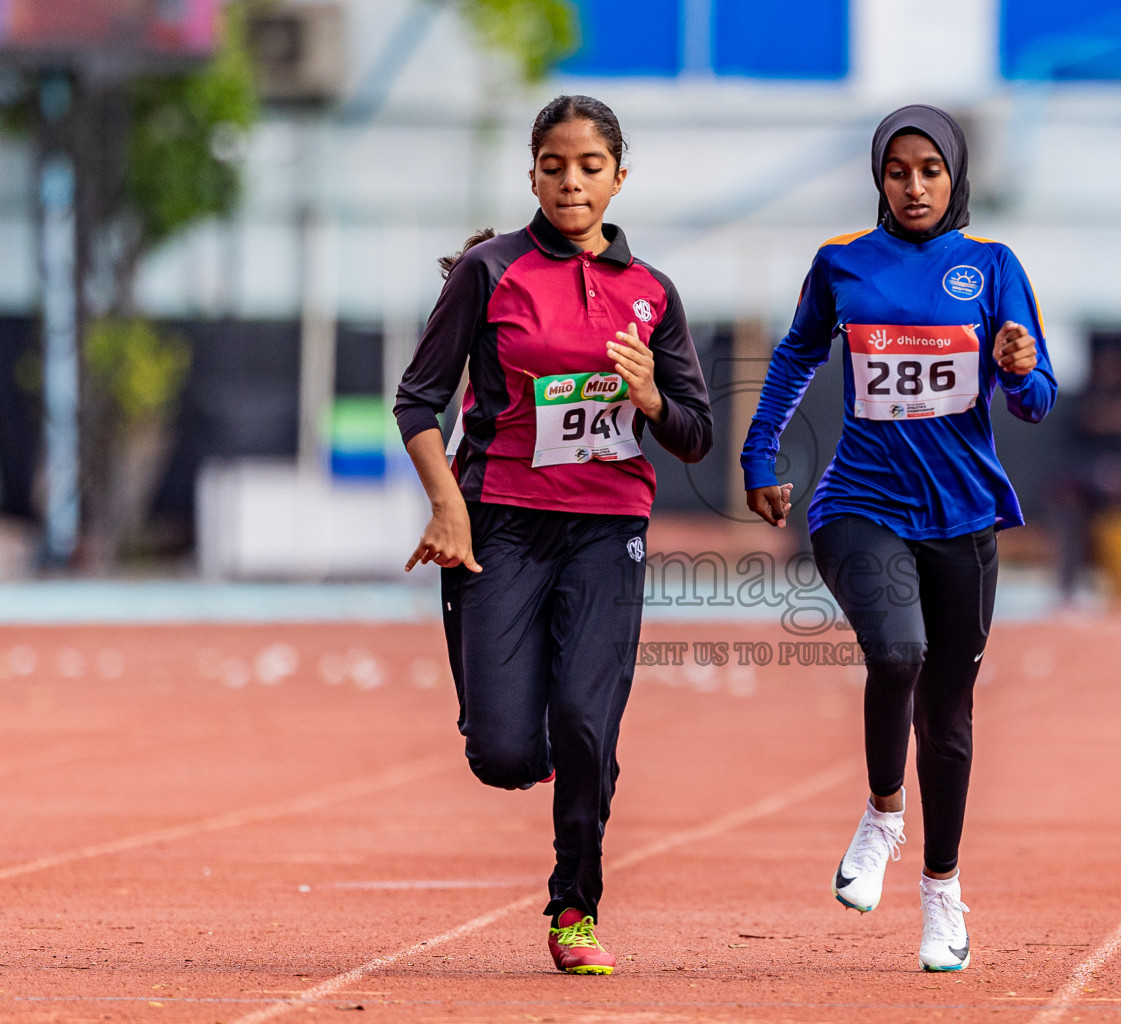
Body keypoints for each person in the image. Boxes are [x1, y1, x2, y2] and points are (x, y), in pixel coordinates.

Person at [394, 94, 712, 975]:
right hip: (498, 525)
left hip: (609, 528)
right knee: (502, 754)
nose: (571, 183)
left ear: (618, 177)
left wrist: (651, 398)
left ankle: (575, 905)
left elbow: (694, 431)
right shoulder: (491, 274)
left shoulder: (651, 294)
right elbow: (417, 401)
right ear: (532, 172)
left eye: (590, 167)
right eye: (554, 166)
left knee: (584, 718)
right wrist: (446, 504)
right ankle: (574, 760)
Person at [740, 104, 1055, 972]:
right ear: (878, 178)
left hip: (962, 515)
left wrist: (1023, 370)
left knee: (949, 720)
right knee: (898, 654)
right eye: (897, 171)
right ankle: (883, 814)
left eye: (930, 171)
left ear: (955, 179)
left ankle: (942, 892)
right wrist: (759, 449)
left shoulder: (992, 268)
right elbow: (795, 355)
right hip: (858, 505)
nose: (913, 186)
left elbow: (1035, 398)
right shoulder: (843, 263)